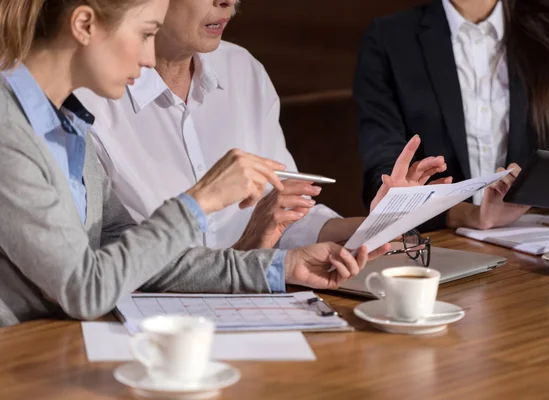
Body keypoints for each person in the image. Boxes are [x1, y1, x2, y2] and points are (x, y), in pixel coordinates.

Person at [0, 0, 397, 327]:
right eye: (146, 34)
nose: (149, 57)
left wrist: (280, 267)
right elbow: (84, 288)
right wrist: (198, 202)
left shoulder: (66, 122)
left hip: (59, 351)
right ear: (84, 24)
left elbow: (132, 256)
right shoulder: (10, 130)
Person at [75, 0, 451, 252]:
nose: (228, 1)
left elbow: (283, 213)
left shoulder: (244, 71)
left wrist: (375, 226)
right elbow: (103, 270)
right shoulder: (85, 97)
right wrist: (249, 253)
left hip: (254, 298)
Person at [354, 0, 549, 231]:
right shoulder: (389, 38)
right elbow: (383, 179)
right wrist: (470, 216)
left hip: (546, 240)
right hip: (443, 241)